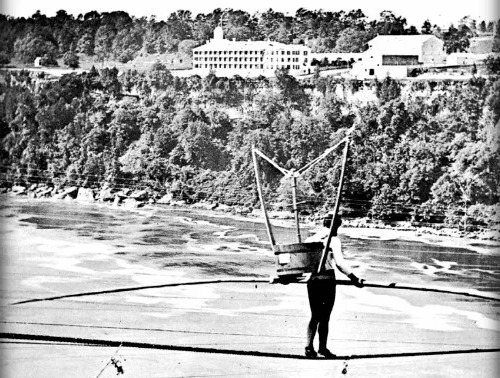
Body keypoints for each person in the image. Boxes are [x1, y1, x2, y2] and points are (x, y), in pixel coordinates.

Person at [304, 213, 364, 358]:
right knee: (325, 317)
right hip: (327, 281)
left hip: (312, 281)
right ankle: (322, 348)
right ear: (335, 225)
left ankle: (308, 347)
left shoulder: (310, 239)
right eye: (338, 226)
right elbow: (340, 263)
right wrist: (354, 278)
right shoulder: (334, 240)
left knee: (314, 315)